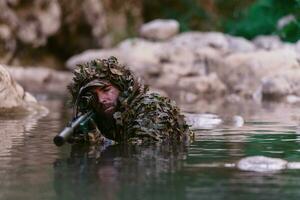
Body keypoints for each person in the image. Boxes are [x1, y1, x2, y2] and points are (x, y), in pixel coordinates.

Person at [68, 56, 190, 145]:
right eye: (93, 96)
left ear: (121, 87)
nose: (101, 100)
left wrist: (99, 141)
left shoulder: (151, 108)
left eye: (106, 90)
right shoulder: (105, 117)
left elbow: (144, 151)